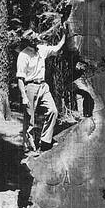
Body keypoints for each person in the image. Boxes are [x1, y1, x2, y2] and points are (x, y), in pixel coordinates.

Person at [16, 27, 66, 155]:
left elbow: (56, 49)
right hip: (30, 87)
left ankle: (45, 141)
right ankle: (29, 148)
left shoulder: (41, 50)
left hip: (43, 86)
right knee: (30, 119)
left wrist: (65, 35)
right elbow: (20, 78)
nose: (37, 36)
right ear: (29, 41)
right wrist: (24, 96)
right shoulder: (23, 55)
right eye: (34, 36)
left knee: (53, 111)